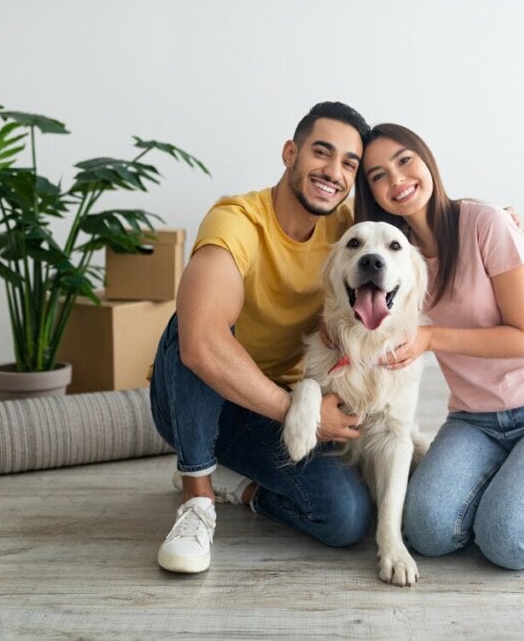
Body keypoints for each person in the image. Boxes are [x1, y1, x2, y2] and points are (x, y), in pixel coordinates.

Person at [354, 123, 524, 571]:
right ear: (371, 192)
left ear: (426, 159)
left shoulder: (485, 222)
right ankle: (513, 485)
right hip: (474, 420)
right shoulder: (390, 255)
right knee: (427, 532)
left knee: (510, 542)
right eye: (378, 175)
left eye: (404, 160)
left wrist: (432, 337)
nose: (396, 180)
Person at [150, 102, 374, 574]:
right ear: (290, 152)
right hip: (194, 396)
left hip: (268, 403)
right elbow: (200, 344)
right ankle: (197, 501)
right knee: (202, 322)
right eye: (321, 152)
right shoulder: (238, 220)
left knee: (346, 518)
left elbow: (417, 226)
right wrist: (303, 416)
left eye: (348, 163)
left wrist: (490, 220)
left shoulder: (346, 231)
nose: (333, 172)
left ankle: (239, 486)